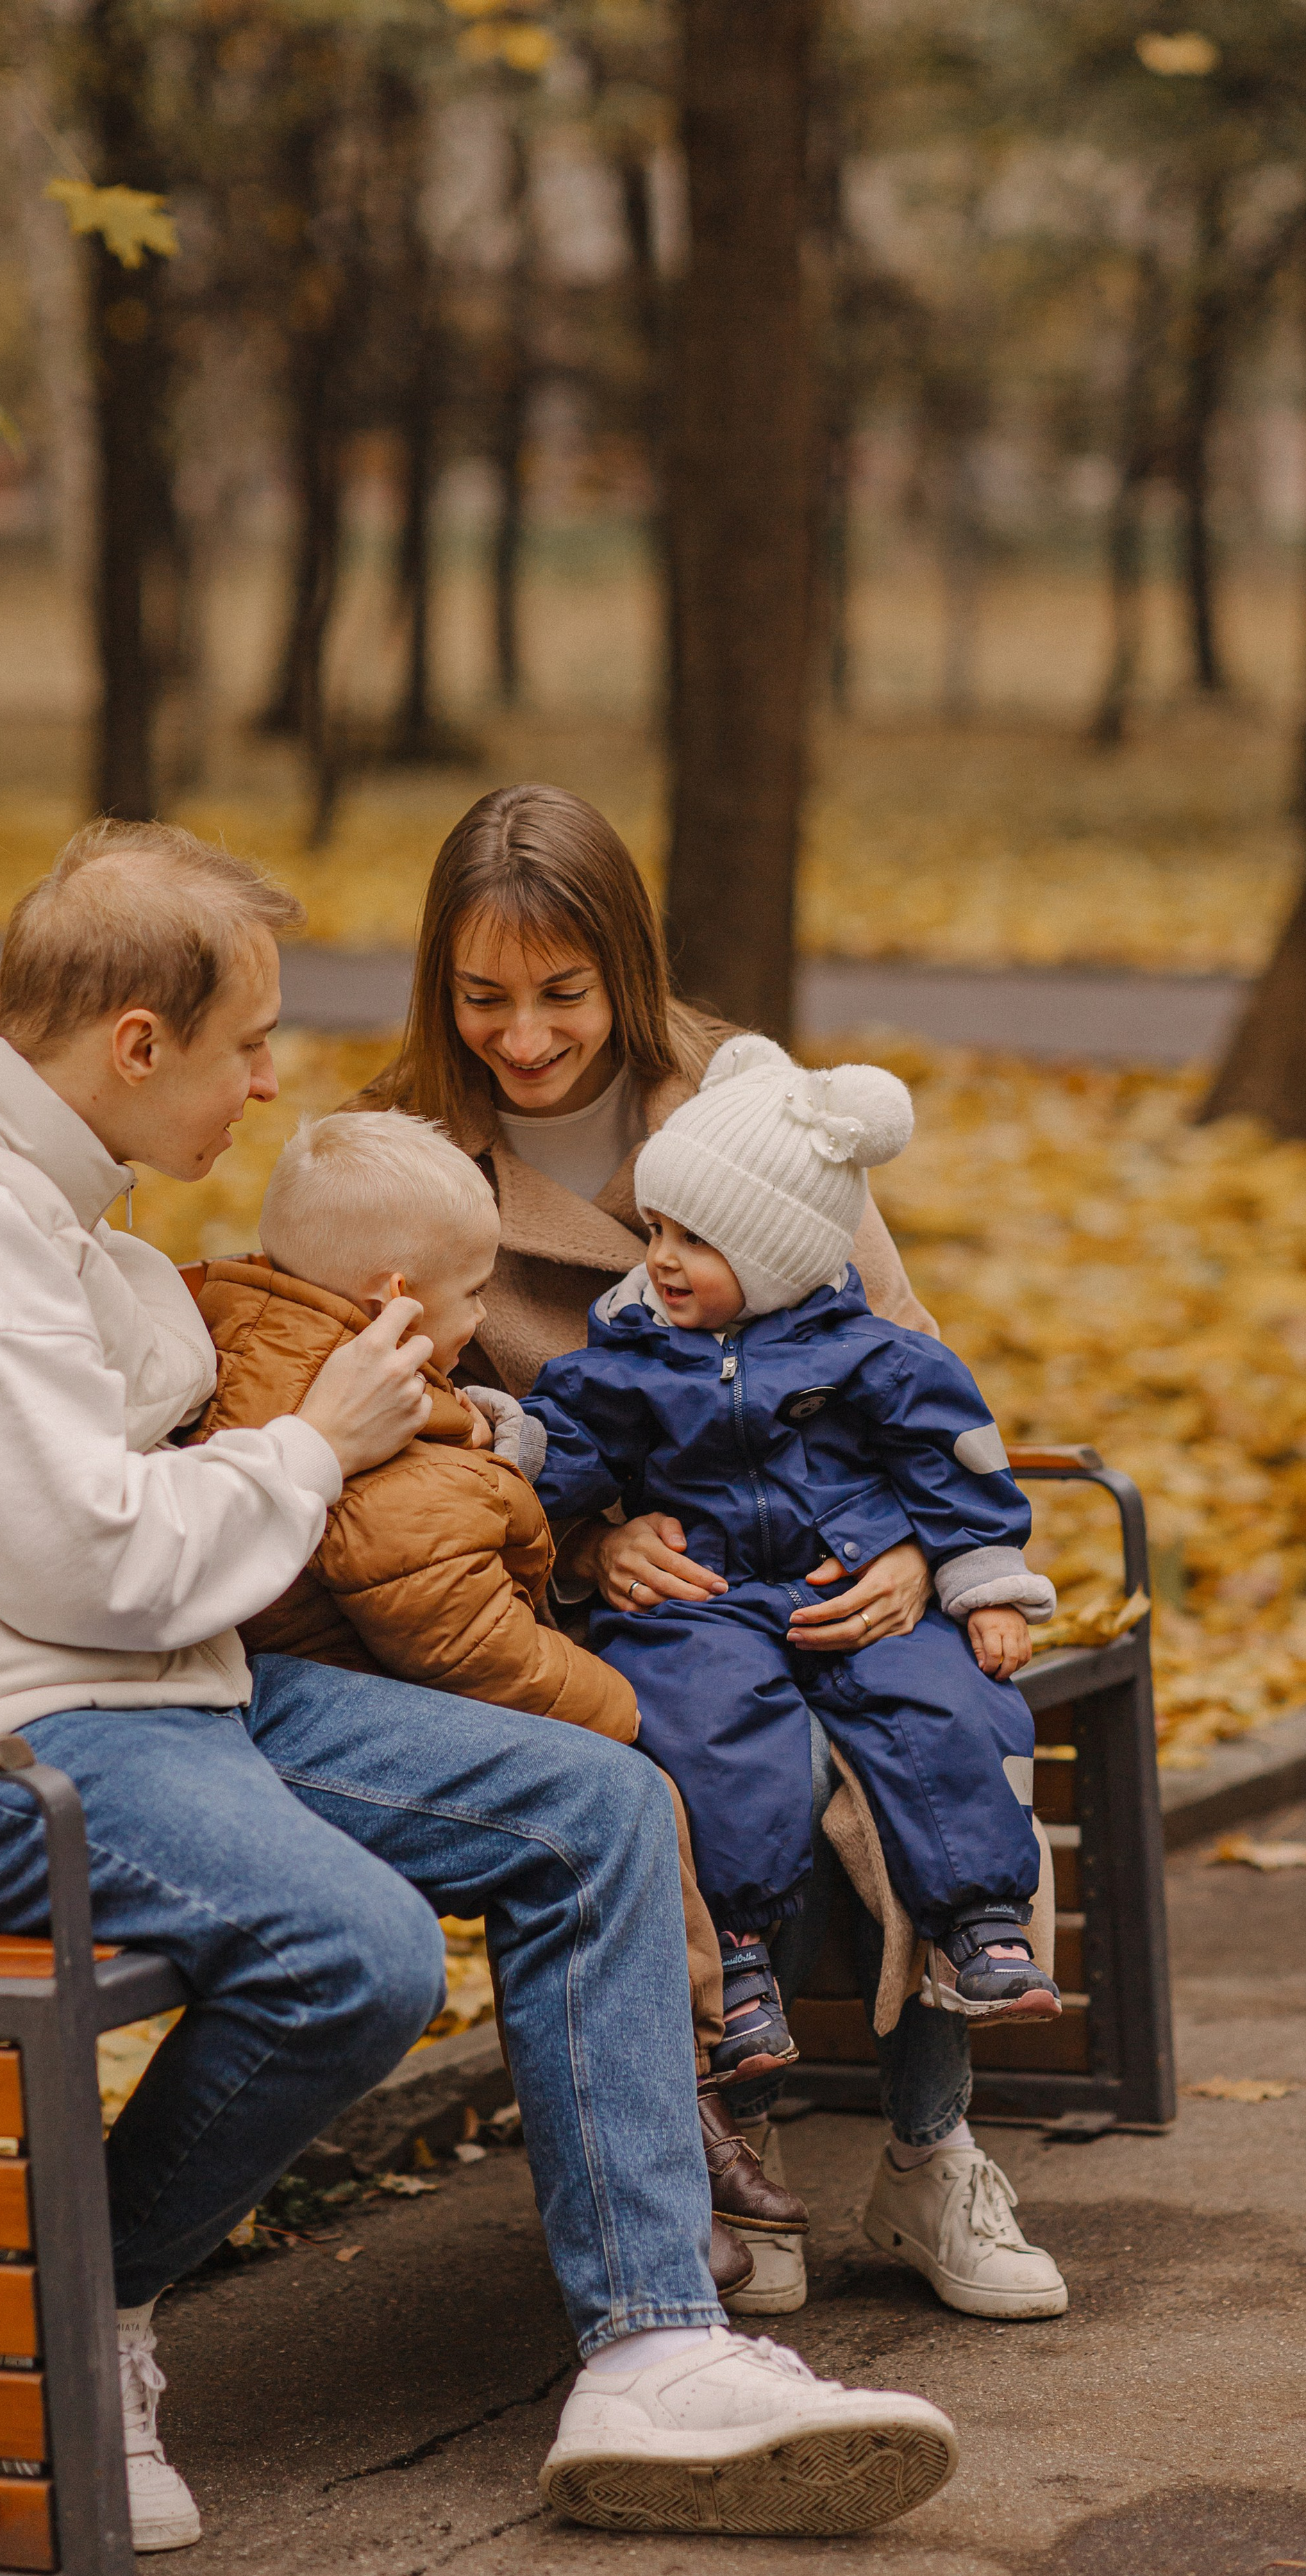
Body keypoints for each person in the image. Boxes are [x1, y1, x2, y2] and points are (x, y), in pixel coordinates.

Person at [0, 815, 959, 2551]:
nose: (267, 1085)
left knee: (600, 1811)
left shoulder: (25, 1190)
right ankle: (65, 2319)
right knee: (352, 1949)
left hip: (127, 1689)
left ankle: (653, 2348)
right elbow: (90, 1557)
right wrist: (316, 1448)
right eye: (244, 1044)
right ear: (135, 1046)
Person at [353, 781, 1071, 2320]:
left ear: (624, 964)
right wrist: (594, 1538)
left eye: (561, 993)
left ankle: (928, 2160)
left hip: (835, 1550)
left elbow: (895, 1348)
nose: (526, 1037)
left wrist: (905, 1553)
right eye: (482, 998)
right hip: (604, 1576)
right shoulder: (414, 1145)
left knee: (927, 1735)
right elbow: (427, 1423)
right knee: (723, 1756)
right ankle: (735, 2165)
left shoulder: (748, 1099)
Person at [189, 1106, 809, 2296]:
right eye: (471, 1296)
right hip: (348, 1702)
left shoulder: (298, 1343)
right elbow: (452, 1628)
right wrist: (607, 1695)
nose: (482, 1325)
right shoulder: (357, 1415)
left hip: (345, 1683)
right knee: (621, 1783)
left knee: (617, 1789)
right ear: (395, 1295)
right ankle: (692, 2102)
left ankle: (679, 2144)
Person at [524, 1037, 1063, 2026]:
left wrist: (981, 1582)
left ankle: (984, 1923)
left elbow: (956, 1462)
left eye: (696, 1240)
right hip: (706, 1598)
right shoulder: (632, 1357)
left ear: (777, 1257)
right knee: (708, 1725)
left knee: (949, 1703)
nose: (660, 1259)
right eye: (656, 1228)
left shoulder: (875, 1359)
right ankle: (735, 1953)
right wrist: (510, 1449)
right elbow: (564, 1447)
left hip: (850, 1587)